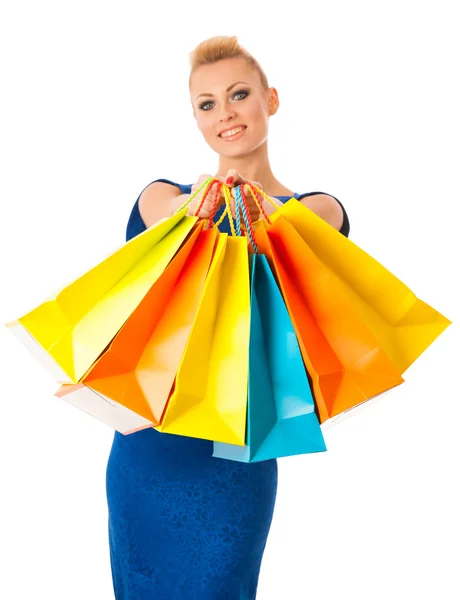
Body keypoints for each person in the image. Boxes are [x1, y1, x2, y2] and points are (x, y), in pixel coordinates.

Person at [106, 35, 350, 600]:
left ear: (271, 99)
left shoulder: (317, 211)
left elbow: (307, 232)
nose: (226, 114)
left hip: (234, 455)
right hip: (151, 446)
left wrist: (255, 210)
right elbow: (162, 215)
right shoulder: (162, 198)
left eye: (239, 95)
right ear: (195, 119)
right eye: (207, 104)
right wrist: (198, 207)